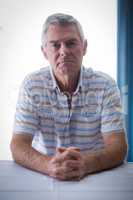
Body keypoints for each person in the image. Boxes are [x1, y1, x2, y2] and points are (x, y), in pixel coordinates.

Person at [10, 13, 127, 181]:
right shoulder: (31, 85)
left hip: (93, 177)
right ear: (44, 52)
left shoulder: (105, 85)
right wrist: (49, 165)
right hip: (43, 176)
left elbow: (118, 146)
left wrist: (85, 164)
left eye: (71, 43)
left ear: (84, 46)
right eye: (55, 45)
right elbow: (18, 145)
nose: (63, 51)